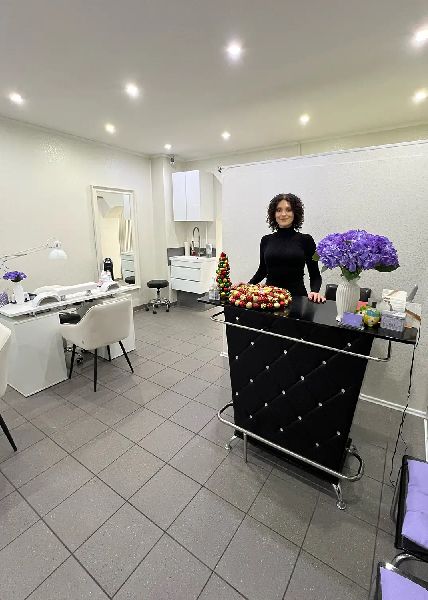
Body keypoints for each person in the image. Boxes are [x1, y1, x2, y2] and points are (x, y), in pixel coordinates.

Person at [249, 193, 325, 302]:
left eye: (288, 210)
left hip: (298, 299)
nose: (283, 214)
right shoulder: (265, 240)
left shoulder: (307, 240)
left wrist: (315, 291)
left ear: (295, 213)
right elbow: (262, 270)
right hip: (270, 299)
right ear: (274, 214)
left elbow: (315, 274)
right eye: (278, 210)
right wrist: (246, 286)